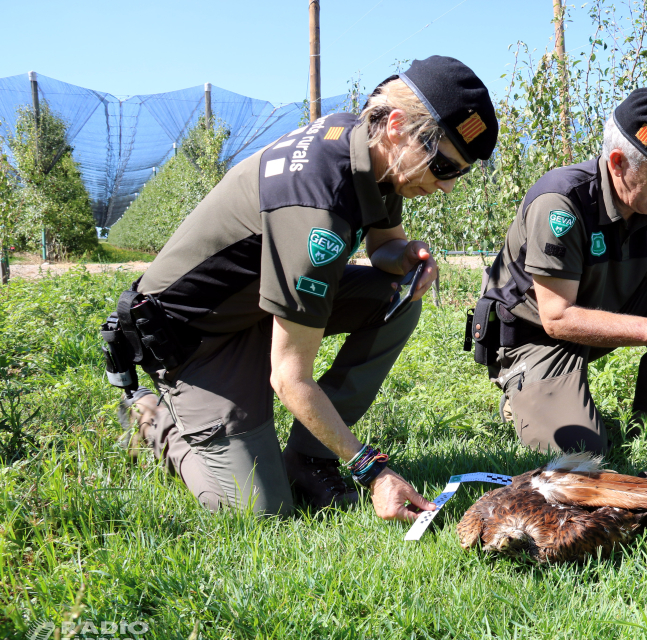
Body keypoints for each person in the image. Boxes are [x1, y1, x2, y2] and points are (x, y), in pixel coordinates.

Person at [115, 56, 498, 519]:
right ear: (397, 126)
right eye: (442, 166)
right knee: (260, 511)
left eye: (457, 173)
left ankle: (308, 457)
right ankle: (152, 423)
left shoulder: (370, 150)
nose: (446, 186)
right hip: (194, 341)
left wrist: (405, 257)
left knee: (394, 299)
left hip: (259, 310)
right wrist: (373, 471)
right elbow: (289, 377)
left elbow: (383, 245)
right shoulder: (317, 205)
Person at [475, 87, 647, 455]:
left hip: (598, 317)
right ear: (617, 163)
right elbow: (556, 318)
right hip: (535, 336)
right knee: (582, 450)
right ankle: (523, 388)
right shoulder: (562, 204)